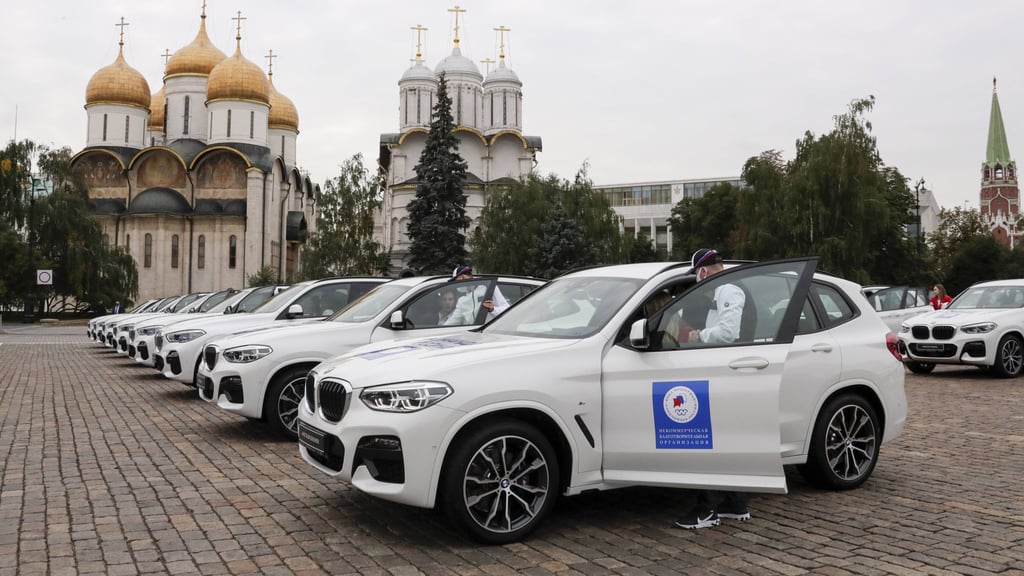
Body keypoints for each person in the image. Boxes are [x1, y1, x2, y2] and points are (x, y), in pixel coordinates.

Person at [674, 248, 750, 530]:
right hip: (728, 372)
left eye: (697, 274)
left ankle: (706, 508)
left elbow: (728, 333)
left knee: (706, 442)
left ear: (703, 271)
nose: (698, 280)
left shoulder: (729, 290)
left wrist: (697, 336)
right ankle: (735, 502)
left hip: (726, 373)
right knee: (725, 441)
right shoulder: (722, 293)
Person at [443, 265, 510, 325]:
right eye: (458, 279)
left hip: (491, 331)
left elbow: (507, 309)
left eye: (464, 276)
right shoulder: (462, 301)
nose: (462, 279)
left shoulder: (488, 287)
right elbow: (453, 320)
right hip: (473, 334)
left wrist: (493, 309)